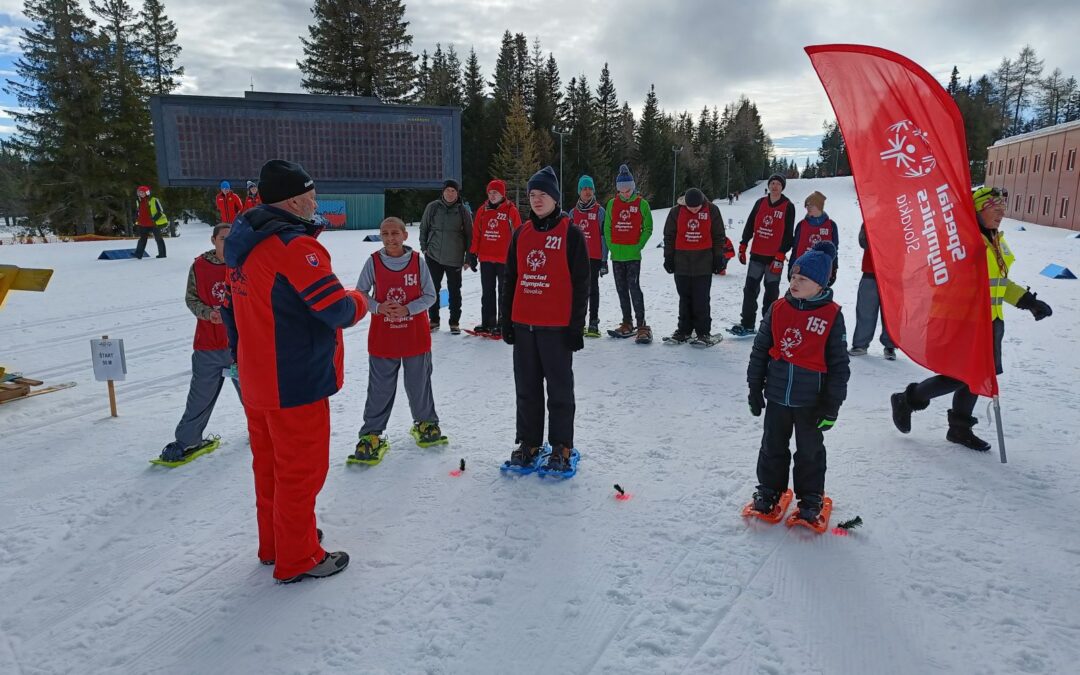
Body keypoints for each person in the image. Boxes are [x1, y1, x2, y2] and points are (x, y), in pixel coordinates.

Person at [222, 159, 368, 584]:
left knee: (269, 468)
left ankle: (276, 542)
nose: (315, 201)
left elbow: (230, 312)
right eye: (312, 194)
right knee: (301, 472)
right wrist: (360, 298)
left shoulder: (245, 246)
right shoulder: (293, 247)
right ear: (295, 200)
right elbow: (335, 309)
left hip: (256, 377)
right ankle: (299, 557)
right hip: (293, 380)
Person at [890, 186, 1052, 451]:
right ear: (976, 211)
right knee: (961, 375)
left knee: (979, 375)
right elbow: (937, 277)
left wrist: (1028, 302)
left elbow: (999, 282)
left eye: (1003, 208)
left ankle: (959, 429)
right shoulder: (959, 242)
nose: (1001, 213)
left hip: (991, 321)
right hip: (961, 321)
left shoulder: (995, 240)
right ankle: (908, 399)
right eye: (993, 208)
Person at [746, 241, 850, 523]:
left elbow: (840, 366)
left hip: (811, 402)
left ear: (819, 283)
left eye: (802, 279)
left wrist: (831, 406)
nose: (794, 282)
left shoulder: (831, 316)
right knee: (772, 446)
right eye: (793, 276)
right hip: (778, 395)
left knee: (810, 452)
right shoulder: (778, 309)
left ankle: (811, 497)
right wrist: (755, 389)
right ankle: (769, 490)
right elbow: (760, 350)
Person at [501, 166, 590, 473]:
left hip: (556, 328)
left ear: (555, 198)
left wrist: (576, 327)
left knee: (559, 390)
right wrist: (506, 320)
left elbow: (581, 285)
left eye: (543, 194)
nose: (536, 200)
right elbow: (510, 278)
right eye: (532, 195)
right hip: (524, 325)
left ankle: (561, 445)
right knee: (526, 388)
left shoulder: (571, 234)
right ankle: (529, 442)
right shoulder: (521, 233)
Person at [350, 217, 443, 462]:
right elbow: (359, 294)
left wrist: (408, 309)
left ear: (405, 235)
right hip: (384, 338)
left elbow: (431, 295)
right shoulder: (373, 262)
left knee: (418, 384)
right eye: (385, 233)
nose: (390, 238)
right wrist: (379, 307)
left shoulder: (417, 262)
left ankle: (426, 423)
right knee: (380, 389)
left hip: (415, 337)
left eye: (394, 233)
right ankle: (371, 434)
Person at [158, 223, 240, 462]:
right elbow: (191, 298)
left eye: (232, 238)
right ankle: (187, 440)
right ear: (213, 240)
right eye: (224, 238)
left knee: (254, 396)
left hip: (240, 346)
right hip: (208, 344)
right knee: (199, 397)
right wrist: (208, 313)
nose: (228, 242)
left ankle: (263, 434)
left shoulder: (243, 264)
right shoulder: (200, 266)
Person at [730, 173, 795, 336]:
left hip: (775, 258)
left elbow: (789, 233)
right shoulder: (760, 203)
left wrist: (781, 253)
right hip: (757, 255)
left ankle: (768, 325)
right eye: (772, 183)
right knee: (750, 290)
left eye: (778, 184)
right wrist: (743, 244)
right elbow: (750, 224)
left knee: (771, 293)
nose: (775, 186)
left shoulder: (788, 206)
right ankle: (747, 323)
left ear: (782, 187)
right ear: (769, 185)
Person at [662, 187, 725, 345]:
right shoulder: (676, 212)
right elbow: (669, 236)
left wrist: (718, 257)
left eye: (697, 208)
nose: (694, 210)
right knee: (684, 298)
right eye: (691, 208)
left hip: (703, 262)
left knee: (701, 299)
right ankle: (684, 330)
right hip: (681, 262)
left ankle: (703, 332)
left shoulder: (712, 210)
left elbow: (718, 236)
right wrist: (668, 257)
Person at [603, 164, 653, 343]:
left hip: (633, 256)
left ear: (633, 188)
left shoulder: (641, 204)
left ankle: (642, 325)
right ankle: (627, 322)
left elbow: (648, 227)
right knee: (621, 289)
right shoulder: (612, 204)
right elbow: (607, 227)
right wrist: (611, 246)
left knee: (634, 287)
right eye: (622, 190)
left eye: (628, 189)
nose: (625, 193)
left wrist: (639, 245)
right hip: (617, 255)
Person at [420, 179, 473, 334]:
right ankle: (434, 320)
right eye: (447, 190)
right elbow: (424, 228)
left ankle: (454, 322)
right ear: (442, 192)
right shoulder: (433, 207)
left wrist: (468, 258)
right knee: (432, 289)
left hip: (455, 257)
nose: (450, 194)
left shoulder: (463, 211)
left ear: (457, 193)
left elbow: (470, 236)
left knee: (454, 290)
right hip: (434, 256)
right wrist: (424, 248)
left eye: (453, 191)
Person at [469, 179, 520, 336]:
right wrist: (473, 253)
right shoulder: (482, 211)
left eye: (495, 193)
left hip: (504, 259)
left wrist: (517, 256)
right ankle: (488, 322)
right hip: (486, 258)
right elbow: (476, 234)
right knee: (488, 292)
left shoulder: (511, 211)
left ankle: (503, 322)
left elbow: (517, 234)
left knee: (504, 292)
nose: (492, 196)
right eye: (490, 193)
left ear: (502, 194)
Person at [568, 175, 608, 337]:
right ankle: (579, 322)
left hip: (594, 257)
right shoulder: (573, 213)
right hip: (578, 258)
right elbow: (569, 240)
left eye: (590, 188)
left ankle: (593, 321)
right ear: (579, 191)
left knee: (593, 289)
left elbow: (604, 237)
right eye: (584, 188)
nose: (587, 191)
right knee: (578, 291)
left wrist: (604, 260)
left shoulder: (600, 211)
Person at [849, 223, 896, 360]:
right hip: (871, 271)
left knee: (890, 313)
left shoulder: (901, 218)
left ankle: (890, 345)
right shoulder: (871, 218)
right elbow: (863, 242)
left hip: (892, 275)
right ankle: (860, 344)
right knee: (865, 310)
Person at [790, 191, 838, 284]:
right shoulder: (801, 224)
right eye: (807, 205)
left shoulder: (831, 225)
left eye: (811, 205)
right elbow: (795, 248)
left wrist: (834, 270)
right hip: (800, 270)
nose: (808, 208)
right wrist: (791, 267)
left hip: (820, 272)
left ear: (819, 206)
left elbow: (834, 250)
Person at [133, 185, 167, 259]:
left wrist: (154, 219)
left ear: (147, 192)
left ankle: (162, 254)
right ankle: (138, 254)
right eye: (139, 192)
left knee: (158, 239)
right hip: (143, 224)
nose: (140, 194)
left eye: (142, 192)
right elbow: (138, 211)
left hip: (154, 224)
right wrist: (136, 218)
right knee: (142, 239)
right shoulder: (138, 201)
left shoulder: (154, 200)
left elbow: (160, 211)